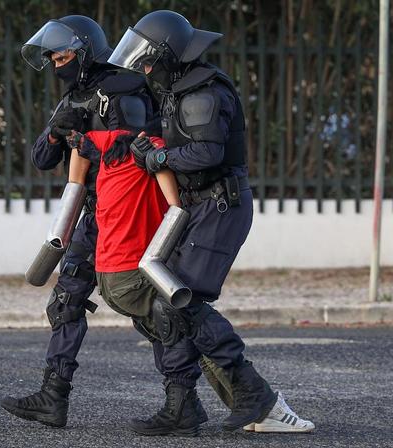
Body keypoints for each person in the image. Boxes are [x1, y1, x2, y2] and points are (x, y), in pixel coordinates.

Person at [105, 10, 315, 434]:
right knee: (169, 303)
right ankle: (183, 406)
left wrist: (158, 158)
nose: (145, 70)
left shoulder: (203, 92)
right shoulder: (177, 90)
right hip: (197, 206)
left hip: (221, 207)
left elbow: (206, 154)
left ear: (169, 54)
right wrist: (146, 146)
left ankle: (259, 400)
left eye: (148, 61)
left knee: (182, 299)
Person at [0, 15, 156, 428]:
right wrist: (56, 134)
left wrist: (88, 143)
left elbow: (138, 157)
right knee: (67, 299)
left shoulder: (123, 90)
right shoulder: (73, 97)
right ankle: (53, 397)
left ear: (86, 49)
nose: (55, 61)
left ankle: (184, 396)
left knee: (147, 305)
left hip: (128, 212)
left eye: (61, 53)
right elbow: (41, 159)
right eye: (50, 56)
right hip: (93, 214)